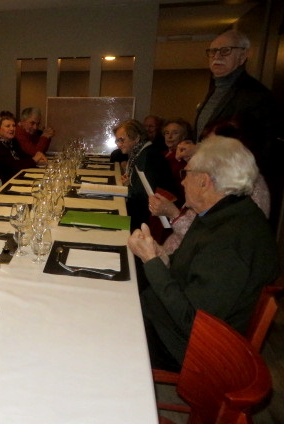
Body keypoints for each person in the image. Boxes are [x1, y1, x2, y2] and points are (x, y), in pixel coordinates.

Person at [128, 136, 278, 371]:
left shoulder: (232, 239)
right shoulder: (220, 214)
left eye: (186, 174)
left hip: (187, 348)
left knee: (104, 324)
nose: (183, 182)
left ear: (204, 181)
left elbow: (193, 323)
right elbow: (188, 267)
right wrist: (161, 256)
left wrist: (152, 262)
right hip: (170, 322)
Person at [193, 30, 280, 221]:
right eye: (213, 51)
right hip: (209, 184)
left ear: (243, 56)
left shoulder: (256, 96)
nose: (217, 56)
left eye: (225, 51)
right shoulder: (216, 90)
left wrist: (204, 153)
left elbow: (257, 152)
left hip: (232, 191)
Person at [114, 119, 175, 230]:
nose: (119, 145)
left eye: (121, 140)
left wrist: (127, 188)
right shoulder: (140, 152)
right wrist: (130, 182)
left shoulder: (147, 156)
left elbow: (145, 196)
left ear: (136, 138)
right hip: (144, 212)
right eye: (117, 141)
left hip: (150, 220)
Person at [0, 111, 47, 183]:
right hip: (4, 184)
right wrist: (34, 160)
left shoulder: (13, 141)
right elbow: (12, 167)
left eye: (13, 126)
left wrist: (37, 161)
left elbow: (24, 157)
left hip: (17, 179)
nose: (12, 129)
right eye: (8, 126)